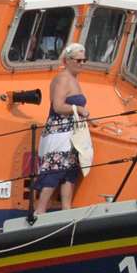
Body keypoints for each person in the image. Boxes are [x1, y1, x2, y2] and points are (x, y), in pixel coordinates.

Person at [33, 43, 90, 212]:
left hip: (71, 133)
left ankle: (66, 209)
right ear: (67, 60)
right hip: (59, 133)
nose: (82, 63)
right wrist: (78, 109)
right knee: (55, 171)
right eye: (79, 60)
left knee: (69, 172)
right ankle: (40, 210)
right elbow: (57, 106)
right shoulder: (63, 79)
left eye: (84, 60)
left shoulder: (73, 79)